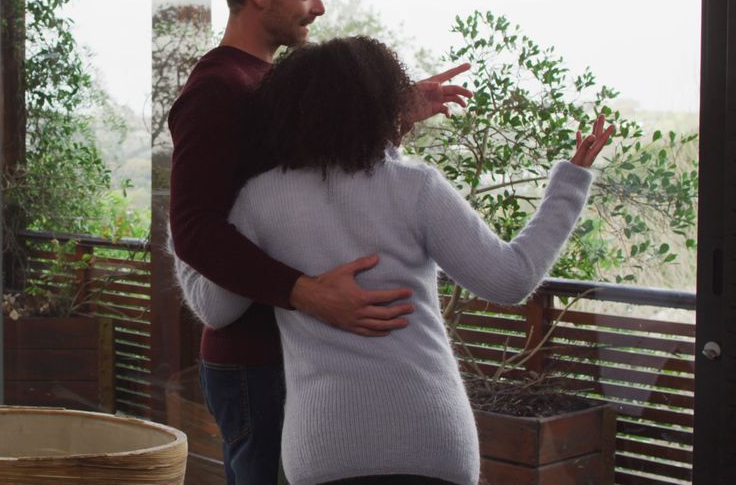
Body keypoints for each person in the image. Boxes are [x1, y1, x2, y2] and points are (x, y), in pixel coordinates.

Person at [173, 36, 615, 485]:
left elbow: (217, 308)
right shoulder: (414, 187)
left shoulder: (261, 199)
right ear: (383, 107)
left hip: (325, 451)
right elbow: (511, 278)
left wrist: (185, 223)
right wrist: (569, 184)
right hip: (433, 442)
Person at [167, 0, 472, 482]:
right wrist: (303, 293)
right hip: (254, 358)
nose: (320, 8)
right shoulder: (218, 91)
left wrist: (390, 114)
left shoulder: (266, 81)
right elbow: (193, 229)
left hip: (297, 351)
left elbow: (319, 175)